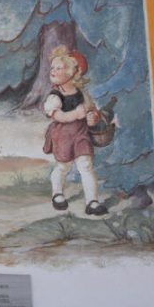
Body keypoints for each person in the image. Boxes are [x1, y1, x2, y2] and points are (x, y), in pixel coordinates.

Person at [42, 46, 107, 216]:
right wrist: (75, 114)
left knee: (86, 165)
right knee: (63, 166)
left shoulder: (82, 94)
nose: (53, 71)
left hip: (81, 134)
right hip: (62, 135)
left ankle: (92, 202)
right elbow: (58, 116)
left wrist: (92, 117)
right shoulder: (55, 96)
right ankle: (57, 194)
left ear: (72, 72)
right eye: (52, 68)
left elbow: (91, 109)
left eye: (59, 68)